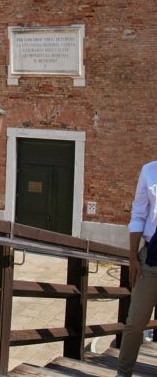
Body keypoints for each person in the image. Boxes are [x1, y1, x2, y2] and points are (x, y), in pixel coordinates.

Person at [118, 159, 157, 377]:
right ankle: (123, 373)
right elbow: (138, 215)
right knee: (135, 322)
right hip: (151, 258)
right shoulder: (150, 170)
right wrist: (132, 257)